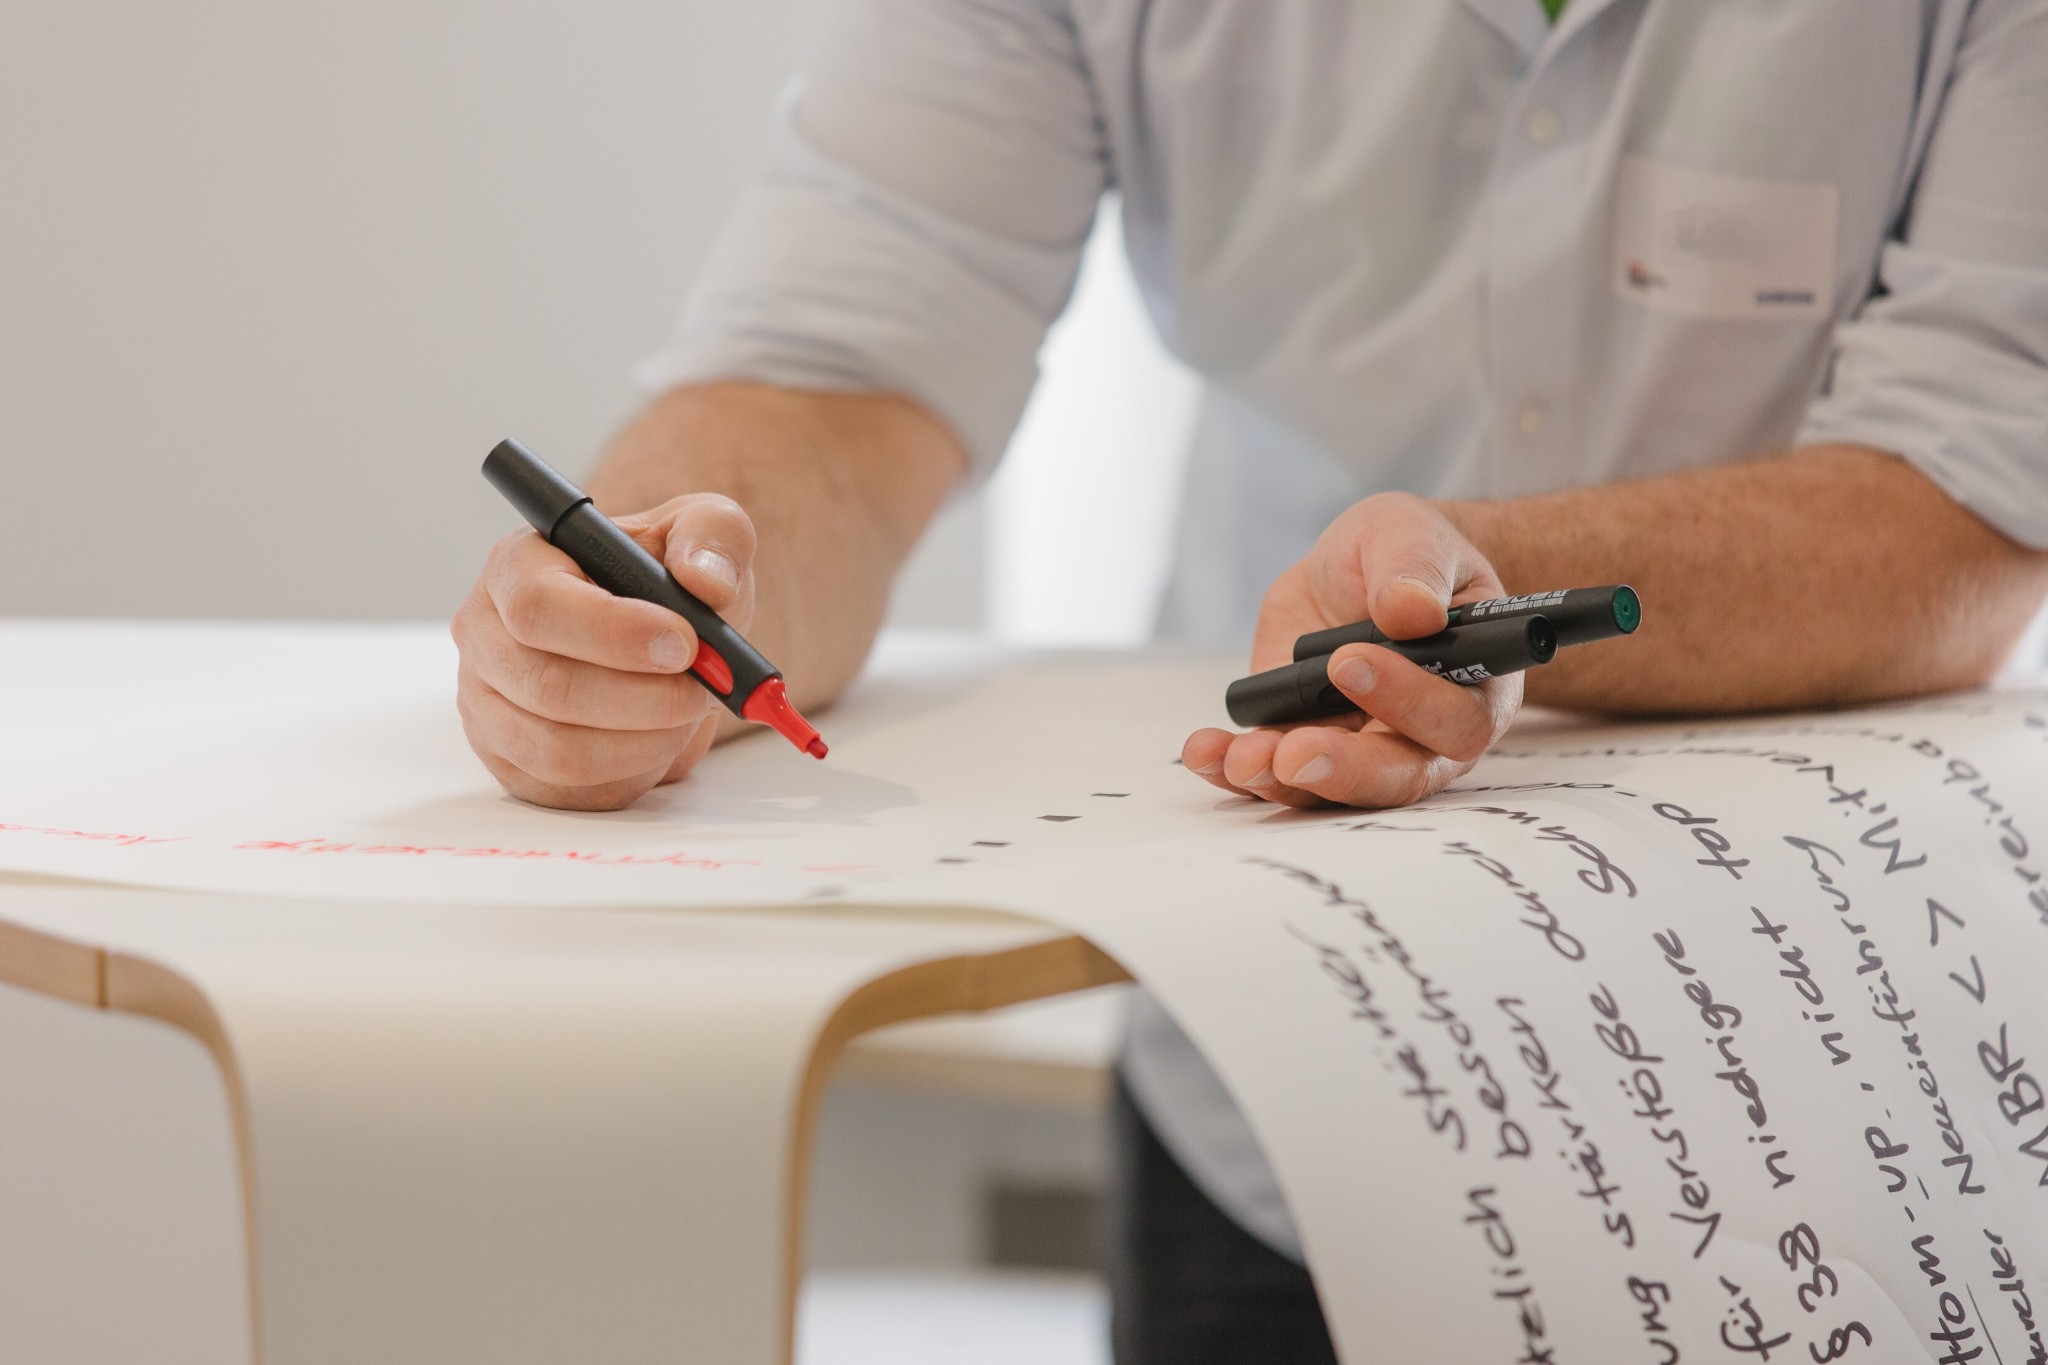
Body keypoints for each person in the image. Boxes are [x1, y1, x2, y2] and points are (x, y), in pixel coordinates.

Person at [451, 1, 2048, 1359]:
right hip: (1265, 1116)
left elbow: (1972, 494)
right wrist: (670, 592)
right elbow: (840, 358)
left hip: (1825, 1110)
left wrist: (1482, 561)